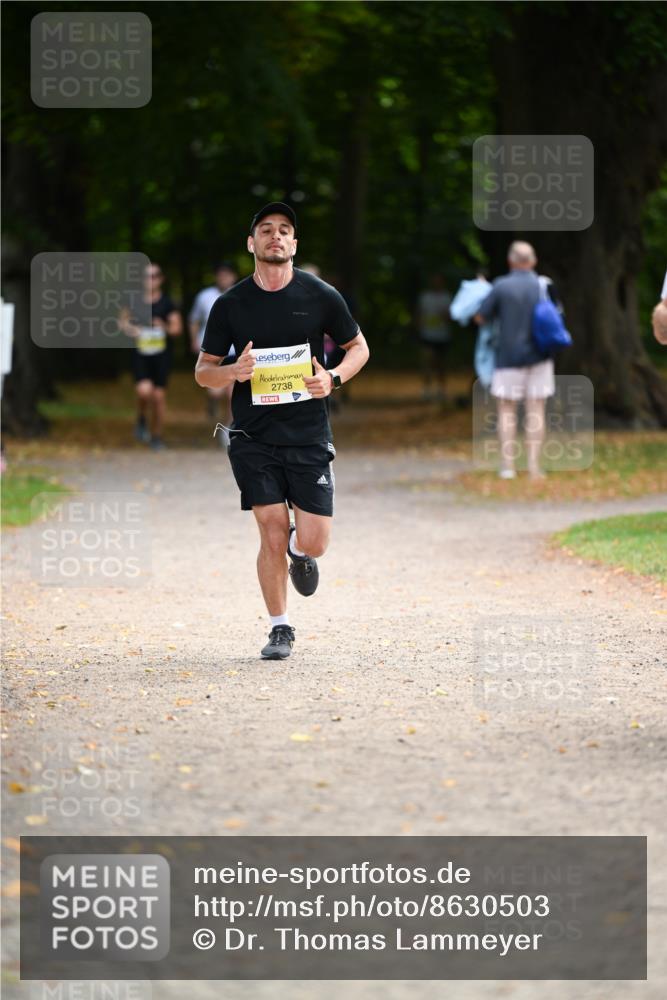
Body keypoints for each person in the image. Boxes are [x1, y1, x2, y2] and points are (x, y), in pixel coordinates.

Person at [194, 202, 370, 660]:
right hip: (252, 437)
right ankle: (280, 628)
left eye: (285, 230)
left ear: (294, 244)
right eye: (266, 230)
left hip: (309, 434)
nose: (276, 236)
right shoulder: (230, 305)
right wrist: (234, 370)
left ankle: (300, 550)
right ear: (251, 244)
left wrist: (332, 378)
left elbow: (358, 347)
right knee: (270, 529)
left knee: (314, 541)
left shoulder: (320, 295)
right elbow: (202, 372)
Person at [475, 242, 556, 480]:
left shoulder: (501, 286)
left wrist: (482, 291)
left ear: (511, 261)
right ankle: (533, 467)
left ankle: (508, 467)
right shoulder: (544, 285)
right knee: (536, 411)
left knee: (506, 411)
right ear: (533, 261)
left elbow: (480, 317)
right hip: (540, 356)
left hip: (507, 357)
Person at [120, 263, 182, 450]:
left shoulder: (167, 303)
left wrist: (164, 326)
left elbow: (177, 329)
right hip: (141, 355)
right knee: (144, 391)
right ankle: (140, 417)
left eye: (154, 276)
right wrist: (134, 330)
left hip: (161, 356)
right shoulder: (134, 302)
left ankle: (156, 436)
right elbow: (122, 323)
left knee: (159, 397)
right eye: (147, 276)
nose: (151, 279)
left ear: (161, 279)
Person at [189, 262, 239, 426]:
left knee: (233, 392)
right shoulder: (205, 296)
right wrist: (194, 340)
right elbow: (194, 320)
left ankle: (229, 427)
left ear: (233, 276)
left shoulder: (242, 295)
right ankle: (213, 407)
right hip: (212, 350)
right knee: (215, 391)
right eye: (221, 274)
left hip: (235, 350)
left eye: (227, 274)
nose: (224, 278)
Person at [416, 273, 452, 401]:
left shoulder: (446, 297)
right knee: (427, 361)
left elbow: (450, 316)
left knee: (441, 364)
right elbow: (419, 314)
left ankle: (441, 389)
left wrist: (445, 316)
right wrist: (419, 329)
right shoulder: (425, 297)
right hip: (427, 335)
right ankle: (426, 389)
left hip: (442, 336)